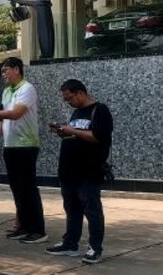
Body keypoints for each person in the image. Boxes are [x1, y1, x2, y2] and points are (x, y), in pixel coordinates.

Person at [0, 57, 46, 243]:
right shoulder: (7, 91)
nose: (4, 75)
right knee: (17, 189)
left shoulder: (27, 89)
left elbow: (15, 114)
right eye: (2, 72)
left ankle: (38, 229)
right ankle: (23, 226)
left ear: (17, 69)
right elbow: (2, 118)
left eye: (6, 70)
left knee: (28, 188)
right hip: (11, 145)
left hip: (27, 145)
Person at [46, 79, 113, 264]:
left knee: (92, 210)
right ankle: (70, 244)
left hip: (88, 171)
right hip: (69, 170)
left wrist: (72, 131)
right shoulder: (76, 112)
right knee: (72, 209)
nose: (68, 103)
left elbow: (98, 136)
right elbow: (75, 133)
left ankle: (95, 248)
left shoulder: (99, 111)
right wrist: (62, 131)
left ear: (80, 93)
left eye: (70, 99)